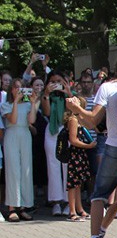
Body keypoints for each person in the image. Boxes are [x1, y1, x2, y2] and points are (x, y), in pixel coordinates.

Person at [68, 52, 117, 238]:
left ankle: (96, 236)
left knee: (101, 195)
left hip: (115, 147)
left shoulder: (107, 87)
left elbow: (91, 121)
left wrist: (76, 109)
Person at [0, 78, 36, 221]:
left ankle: (23, 206)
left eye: (21, 88)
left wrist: (33, 102)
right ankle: (12, 207)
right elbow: (13, 120)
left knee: (26, 170)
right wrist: (15, 101)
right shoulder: (6, 105)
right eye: (16, 88)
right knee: (13, 170)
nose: (19, 90)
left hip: (25, 134)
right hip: (12, 135)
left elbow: (32, 121)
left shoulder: (27, 105)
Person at [40, 71, 71, 215]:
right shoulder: (48, 96)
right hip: (52, 131)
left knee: (67, 165)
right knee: (53, 166)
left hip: (67, 130)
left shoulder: (69, 94)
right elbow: (46, 112)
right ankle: (56, 201)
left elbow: (73, 110)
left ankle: (68, 201)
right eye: (53, 81)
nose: (56, 84)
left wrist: (68, 92)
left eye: (59, 81)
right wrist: (46, 94)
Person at [63, 96, 95, 220]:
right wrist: (88, 146)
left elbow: (91, 125)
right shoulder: (73, 120)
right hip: (75, 154)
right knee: (73, 183)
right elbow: (73, 140)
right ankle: (72, 211)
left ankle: (79, 208)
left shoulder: (78, 119)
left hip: (80, 154)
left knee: (78, 183)